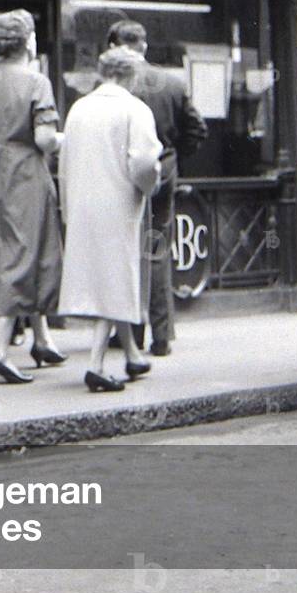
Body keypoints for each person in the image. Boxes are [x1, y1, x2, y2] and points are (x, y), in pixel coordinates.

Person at [0, 11, 65, 384]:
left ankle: (41, 339)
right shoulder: (36, 82)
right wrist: (63, 140)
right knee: (22, 253)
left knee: (3, 250)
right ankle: (0, 352)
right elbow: (43, 138)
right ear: (28, 43)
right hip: (23, 170)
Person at [59, 48, 163, 391]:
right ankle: (96, 364)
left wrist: (67, 207)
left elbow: (65, 163)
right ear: (131, 75)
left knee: (105, 277)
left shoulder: (78, 108)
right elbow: (146, 163)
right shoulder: (134, 109)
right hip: (119, 202)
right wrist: (148, 187)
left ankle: (132, 354)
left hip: (82, 204)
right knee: (115, 278)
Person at [106, 20, 208, 356]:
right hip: (163, 170)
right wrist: (173, 155)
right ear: (144, 46)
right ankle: (162, 336)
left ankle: (131, 333)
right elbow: (196, 129)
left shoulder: (115, 86)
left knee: (126, 250)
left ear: (114, 46)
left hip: (123, 173)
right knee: (157, 249)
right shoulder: (171, 83)